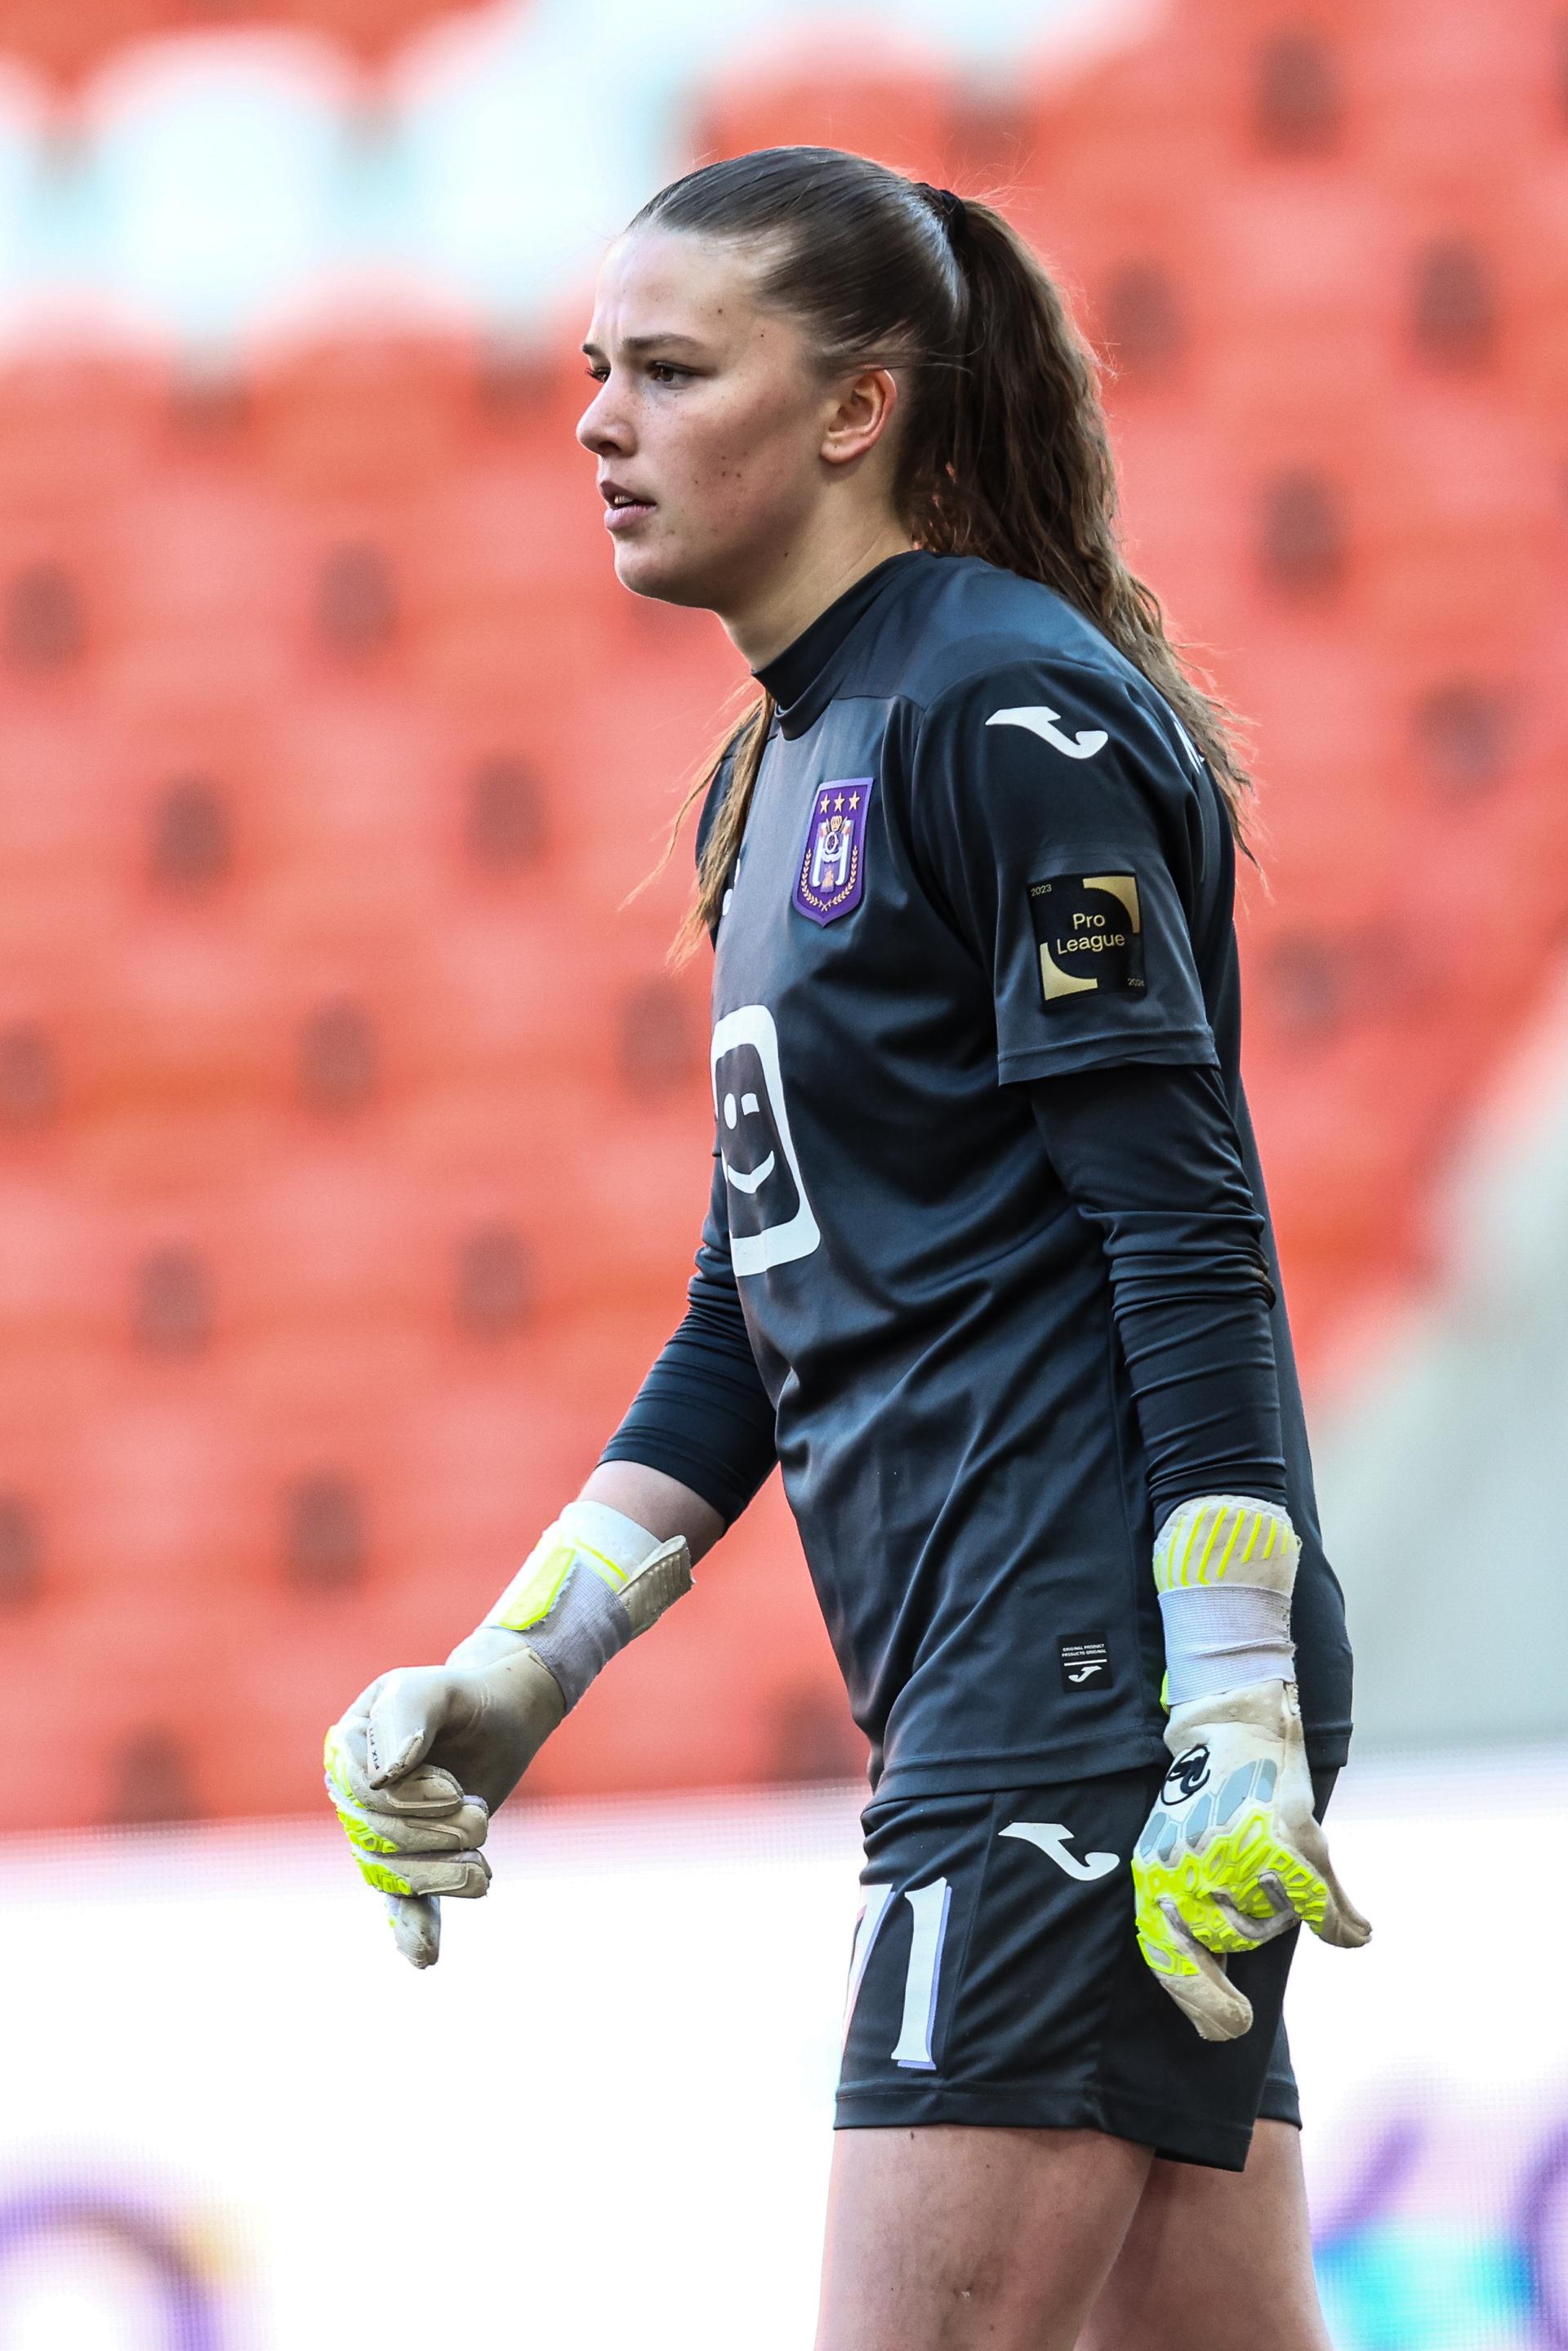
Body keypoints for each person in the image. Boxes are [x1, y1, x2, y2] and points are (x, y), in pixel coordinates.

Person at [323, 148, 1370, 2351]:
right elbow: (748, 1313)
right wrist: (514, 1676)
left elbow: (1189, 1232)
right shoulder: (792, 759)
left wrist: (1236, 1695)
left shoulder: (1004, 716)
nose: (597, 422)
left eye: (671, 371)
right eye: (594, 369)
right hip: (1025, 1690)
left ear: (854, 408)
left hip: (1086, 1688)